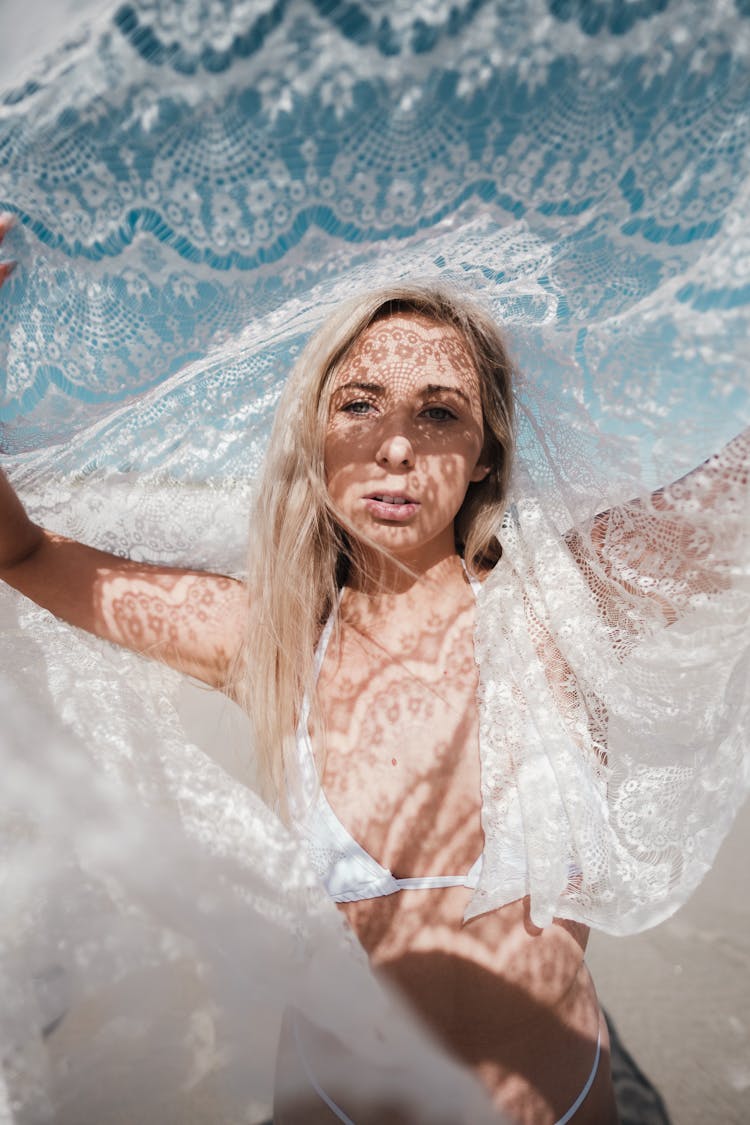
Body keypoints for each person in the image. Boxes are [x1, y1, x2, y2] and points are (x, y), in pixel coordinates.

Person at [1, 218, 746, 1123]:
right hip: (333, 1102)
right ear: (315, 437)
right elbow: (26, 553)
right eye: (359, 403)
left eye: (439, 411)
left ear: (484, 455)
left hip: (562, 1099)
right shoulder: (269, 635)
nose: (396, 445)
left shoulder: (565, 608)